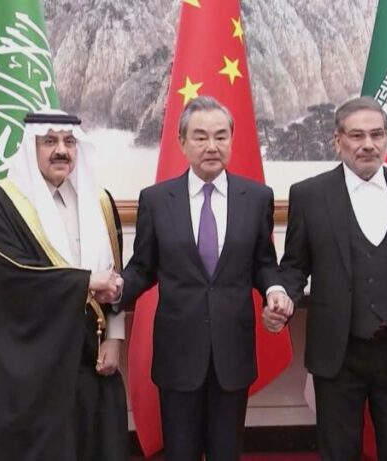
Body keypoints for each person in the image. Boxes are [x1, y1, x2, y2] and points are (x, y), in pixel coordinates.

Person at [263, 96, 387, 460]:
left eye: (377, 134)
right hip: (338, 352)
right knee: (338, 452)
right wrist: (281, 295)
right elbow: (295, 265)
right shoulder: (309, 195)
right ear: (338, 140)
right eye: (357, 135)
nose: (368, 144)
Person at [120, 96, 292, 461]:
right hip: (178, 352)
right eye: (200, 137)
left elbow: (264, 263)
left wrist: (275, 289)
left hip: (232, 351)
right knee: (180, 453)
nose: (211, 146)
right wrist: (116, 288)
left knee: (226, 452)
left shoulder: (256, 198)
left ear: (232, 139)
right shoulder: (156, 200)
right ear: (182, 143)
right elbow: (143, 268)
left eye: (220, 136)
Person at [0, 110, 128, 461]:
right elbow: (11, 278)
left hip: (90, 360)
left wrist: (115, 338)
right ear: (31, 147)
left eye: (69, 142)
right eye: (50, 141)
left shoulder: (100, 202)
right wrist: (86, 282)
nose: (61, 151)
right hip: (31, 368)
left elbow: (116, 275)